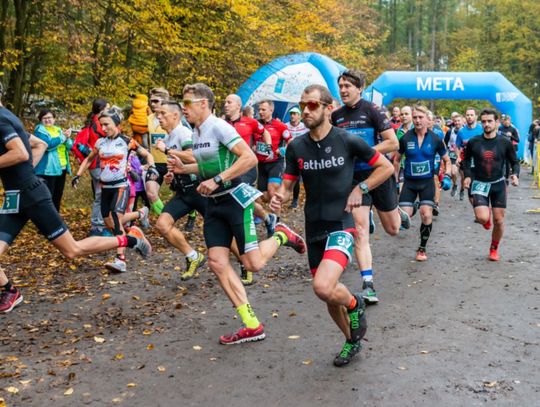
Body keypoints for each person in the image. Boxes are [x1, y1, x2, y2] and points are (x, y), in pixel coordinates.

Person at [170, 83, 306, 345]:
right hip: (214, 204)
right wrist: (182, 169)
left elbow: (249, 159)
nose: (183, 108)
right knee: (217, 263)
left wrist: (218, 179)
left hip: (234, 200)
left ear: (203, 104)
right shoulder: (196, 132)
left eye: (187, 103)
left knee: (253, 264)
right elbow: (206, 165)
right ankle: (251, 324)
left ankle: (280, 235)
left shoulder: (219, 126)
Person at [270, 84, 394, 366]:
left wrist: (361, 188)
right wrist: (279, 197)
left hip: (341, 222)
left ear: (328, 108)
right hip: (314, 225)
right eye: (302, 105)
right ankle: (352, 341)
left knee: (323, 286)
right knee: (328, 296)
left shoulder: (347, 140)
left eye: (312, 105)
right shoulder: (296, 146)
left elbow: (385, 167)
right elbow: (288, 187)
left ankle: (356, 303)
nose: (305, 111)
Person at [0, 86, 151, 313]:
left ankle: (130, 241)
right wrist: (26, 172)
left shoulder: (1, 119)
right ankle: (10, 292)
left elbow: (20, 153)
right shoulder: (8, 116)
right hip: (15, 196)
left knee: (72, 250)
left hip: (32, 196)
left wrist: (26, 175)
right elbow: (38, 144)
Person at [331, 69, 409, 304]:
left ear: (359, 88)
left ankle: (397, 211)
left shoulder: (372, 111)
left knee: (393, 229)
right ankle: (368, 284)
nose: (343, 90)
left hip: (379, 173)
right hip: (353, 179)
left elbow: (392, 142)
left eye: (348, 86)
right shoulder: (337, 116)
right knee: (360, 230)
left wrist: (365, 152)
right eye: (341, 86)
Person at [72, 108, 152, 273]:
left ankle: (120, 260)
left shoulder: (126, 141)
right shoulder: (100, 142)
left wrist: (152, 168)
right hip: (105, 187)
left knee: (116, 219)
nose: (103, 128)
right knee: (109, 223)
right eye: (101, 125)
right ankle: (139, 217)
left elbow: (146, 154)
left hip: (121, 186)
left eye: (107, 124)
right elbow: (89, 159)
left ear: (117, 124)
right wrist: (78, 175)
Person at [223, 94, 275, 285]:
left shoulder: (250, 122)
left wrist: (267, 147)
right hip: (227, 170)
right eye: (225, 102)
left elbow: (265, 133)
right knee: (248, 202)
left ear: (238, 105)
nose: (225, 105)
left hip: (246, 168)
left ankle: (246, 259)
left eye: (229, 102)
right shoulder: (221, 123)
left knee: (241, 203)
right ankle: (268, 218)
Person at [153, 101, 207, 281]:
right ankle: (193, 256)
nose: (158, 117)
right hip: (183, 193)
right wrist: (171, 177)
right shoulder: (169, 137)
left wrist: (167, 150)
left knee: (219, 227)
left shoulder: (183, 132)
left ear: (175, 116)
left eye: (163, 114)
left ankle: (244, 263)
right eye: (157, 114)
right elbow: (178, 164)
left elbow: (193, 156)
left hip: (199, 190)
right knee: (162, 224)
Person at [393, 105, 451, 261]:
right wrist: (395, 180)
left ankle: (422, 248)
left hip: (427, 183)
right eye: (415, 117)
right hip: (410, 183)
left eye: (420, 117)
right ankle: (416, 206)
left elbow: (447, 160)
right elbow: (396, 159)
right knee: (403, 219)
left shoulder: (436, 138)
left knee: (426, 216)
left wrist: (447, 175)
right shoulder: (405, 138)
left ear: (427, 118)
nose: (417, 120)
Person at [462, 108, 519, 261]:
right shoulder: (474, 142)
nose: (486, 124)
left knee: (499, 221)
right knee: (481, 218)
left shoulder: (504, 142)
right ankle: (485, 219)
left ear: (497, 123)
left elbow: (514, 162)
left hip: (498, 184)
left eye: (490, 121)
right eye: (484, 121)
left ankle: (494, 248)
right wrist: (467, 176)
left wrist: (515, 174)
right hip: (479, 183)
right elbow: (466, 161)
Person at [72, 98, 110, 236]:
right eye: (108, 107)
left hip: (96, 164)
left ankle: (100, 225)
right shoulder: (98, 124)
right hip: (98, 163)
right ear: (102, 109)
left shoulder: (93, 122)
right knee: (102, 195)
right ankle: (98, 227)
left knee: (101, 194)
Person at [256, 100, 291, 220]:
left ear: (271, 110)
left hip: (276, 162)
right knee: (261, 196)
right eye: (259, 109)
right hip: (261, 164)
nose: (260, 112)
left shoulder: (280, 125)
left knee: (272, 190)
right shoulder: (255, 125)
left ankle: (277, 221)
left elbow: (290, 142)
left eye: (263, 109)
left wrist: (282, 150)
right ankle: (266, 217)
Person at [34, 109, 73, 211]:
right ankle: (47, 220)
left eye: (49, 118)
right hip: (48, 169)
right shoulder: (40, 130)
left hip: (62, 167)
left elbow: (69, 146)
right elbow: (48, 145)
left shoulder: (58, 130)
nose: (47, 120)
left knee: (58, 195)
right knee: (48, 196)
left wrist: (68, 138)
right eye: (44, 118)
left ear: (54, 119)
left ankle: (56, 219)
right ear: (40, 120)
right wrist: (63, 137)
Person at [456, 108, 483, 201]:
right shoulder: (461, 132)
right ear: (465, 117)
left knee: (480, 187)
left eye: (472, 115)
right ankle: (476, 207)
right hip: (467, 162)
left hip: (481, 162)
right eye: (467, 115)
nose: (469, 117)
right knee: (470, 188)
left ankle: (481, 206)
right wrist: (458, 157)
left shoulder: (482, 129)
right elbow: (458, 146)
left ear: (476, 116)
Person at [285, 106, 309, 208]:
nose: (292, 116)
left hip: (301, 155)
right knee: (289, 177)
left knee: (298, 178)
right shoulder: (285, 126)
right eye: (291, 114)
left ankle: (294, 200)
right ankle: (284, 196)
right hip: (288, 155)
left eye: (294, 114)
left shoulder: (305, 127)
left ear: (299, 116)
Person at [444, 114, 464, 196]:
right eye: (455, 121)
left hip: (463, 154)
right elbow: (445, 142)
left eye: (459, 121)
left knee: (463, 176)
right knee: (453, 172)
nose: (457, 122)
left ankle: (462, 189)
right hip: (452, 154)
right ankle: (455, 185)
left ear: (462, 121)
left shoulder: (465, 131)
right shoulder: (449, 131)